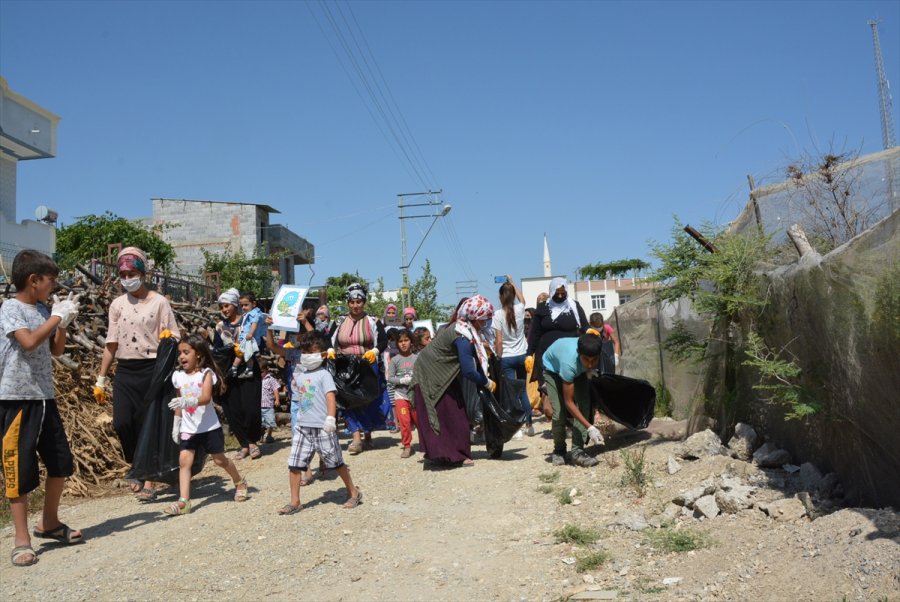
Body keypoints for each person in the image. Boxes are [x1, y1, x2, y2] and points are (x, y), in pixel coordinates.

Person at [1, 250, 83, 566]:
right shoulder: (11, 308)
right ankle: (22, 539)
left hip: (45, 397)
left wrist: (63, 323)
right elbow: (29, 342)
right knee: (18, 470)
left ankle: (48, 522)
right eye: (50, 281)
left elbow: (56, 349)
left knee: (61, 462)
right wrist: (56, 317)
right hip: (16, 399)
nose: (54, 287)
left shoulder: (40, 308)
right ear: (33, 280)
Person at [94, 246, 181, 501]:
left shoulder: (159, 302)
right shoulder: (117, 305)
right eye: (123, 273)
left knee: (149, 424)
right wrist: (101, 378)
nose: (127, 277)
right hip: (126, 370)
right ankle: (138, 465)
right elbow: (111, 342)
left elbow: (174, 334)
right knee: (122, 422)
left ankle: (150, 478)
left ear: (142, 273)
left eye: (132, 272)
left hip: (153, 368)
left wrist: (170, 338)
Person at [267, 331, 362, 515]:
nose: (308, 356)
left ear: (323, 354)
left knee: (336, 461)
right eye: (305, 352)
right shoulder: (300, 376)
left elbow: (330, 397)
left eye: (313, 352)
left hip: (322, 426)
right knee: (294, 463)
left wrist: (330, 418)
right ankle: (295, 501)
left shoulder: (324, 375)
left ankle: (353, 491)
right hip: (303, 427)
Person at [165, 334, 248, 515]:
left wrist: (186, 403)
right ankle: (184, 501)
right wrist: (176, 422)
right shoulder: (178, 376)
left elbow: (205, 398)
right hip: (189, 428)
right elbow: (179, 402)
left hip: (209, 427)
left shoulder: (206, 374)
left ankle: (239, 481)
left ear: (199, 355)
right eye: (180, 353)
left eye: (186, 352)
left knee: (220, 460)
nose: (181, 357)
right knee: (184, 462)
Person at [412, 295, 496, 468]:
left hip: (444, 373)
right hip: (431, 373)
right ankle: (456, 455)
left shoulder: (466, 330)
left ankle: (444, 453)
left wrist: (485, 378)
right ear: (476, 318)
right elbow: (468, 370)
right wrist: (486, 382)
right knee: (452, 414)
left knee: (452, 411)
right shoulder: (462, 335)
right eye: (484, 319)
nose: (486, 323)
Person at [330, 283, 389, 455]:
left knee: (367, 399)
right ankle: (356, 437)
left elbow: (383, 340)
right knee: (347, 400)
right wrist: (330, 349)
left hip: (366, 364)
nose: (356, 305)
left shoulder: (373, 321)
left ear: (364, 302)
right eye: (352, 302)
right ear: (348, 303)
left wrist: (375, 351)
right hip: (344, 366)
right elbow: (329, 339)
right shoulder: (339, 320)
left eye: (359, 302)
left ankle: (368, 433)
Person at [211, 288, 263, 460]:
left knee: (251, 408)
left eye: (227, 306)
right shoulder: (219, 327)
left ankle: (253, 441)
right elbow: (216, 350)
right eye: (221, 307)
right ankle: (244, 444)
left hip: (248, 368)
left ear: (235, 305)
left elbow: (259, 341)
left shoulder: (248, 320)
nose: (224, 310)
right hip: (228, 371)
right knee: (232, 409)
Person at [526, 278, 588, 418]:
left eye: (563, 293)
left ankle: (571, 421)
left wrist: (590, 332)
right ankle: (558, 422)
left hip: (570, 358)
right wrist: (529, 354)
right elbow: (535, 334)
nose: (560, 296)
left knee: (571, 392)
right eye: (557, 293)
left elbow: (584, 325)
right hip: (548, 359)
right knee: (551, 396)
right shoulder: (543, 309)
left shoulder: (574, 307)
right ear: (552, 291)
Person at [542, 332, 605, 467]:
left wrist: (587, 371)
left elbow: (587, 364)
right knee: (559, 412)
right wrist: (590, 428)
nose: (590, 364)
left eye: (593, 360)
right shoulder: (569, 364)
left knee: (585, 405)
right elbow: (569, 402)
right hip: (553, 369)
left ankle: (578, 452)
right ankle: (559, 451)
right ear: (578, 353)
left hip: (576, 369)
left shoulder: (591, 351)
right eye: (586, 360)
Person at [492, 276, 534, 438]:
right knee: (523, 390)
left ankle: (515, 427)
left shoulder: (497, 315)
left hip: (507, 357)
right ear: (512, 296)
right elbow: (522, 299)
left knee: (511, 393)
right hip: (522, 354)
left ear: (501, 296)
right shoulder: (520, 309)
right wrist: (513, 282)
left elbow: (499, 341)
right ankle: (529, 424)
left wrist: (498, 357)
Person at [386, 328, 419, 458]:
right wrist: (402, 380)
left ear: (411, 341)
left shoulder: (417, 358)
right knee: (404, 422)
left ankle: (426, 443)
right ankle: (407, 446)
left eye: (406, 340)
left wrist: (414, 379)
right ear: (397, 343)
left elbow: (422, 375)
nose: (403, 343)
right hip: (400, 396)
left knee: (419, 420)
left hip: (415, 395)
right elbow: (390, 378)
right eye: (400, 341)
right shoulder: (394, 360)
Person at [230, 292, 266, 379]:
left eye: (246, 305)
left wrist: (250, 333)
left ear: (253, 304)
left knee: (242, 354)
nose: (243, 307)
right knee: (246, 354)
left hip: (250, 338)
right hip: (246, 338)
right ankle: (247, 370)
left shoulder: (254, 314)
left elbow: (254, 323)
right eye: (242, 305)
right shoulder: (250, 313)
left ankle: (235, 368)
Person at [259, 357, 279, 444]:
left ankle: (269, 436)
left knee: (270, 421)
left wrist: (277, 399)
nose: (261, 374)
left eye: (262, 372)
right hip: (258, 405)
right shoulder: (257, 380)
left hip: (268, 405)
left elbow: (275, 389)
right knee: (260, 422)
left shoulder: (270, 379)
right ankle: (261, 436)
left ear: (266, 369)